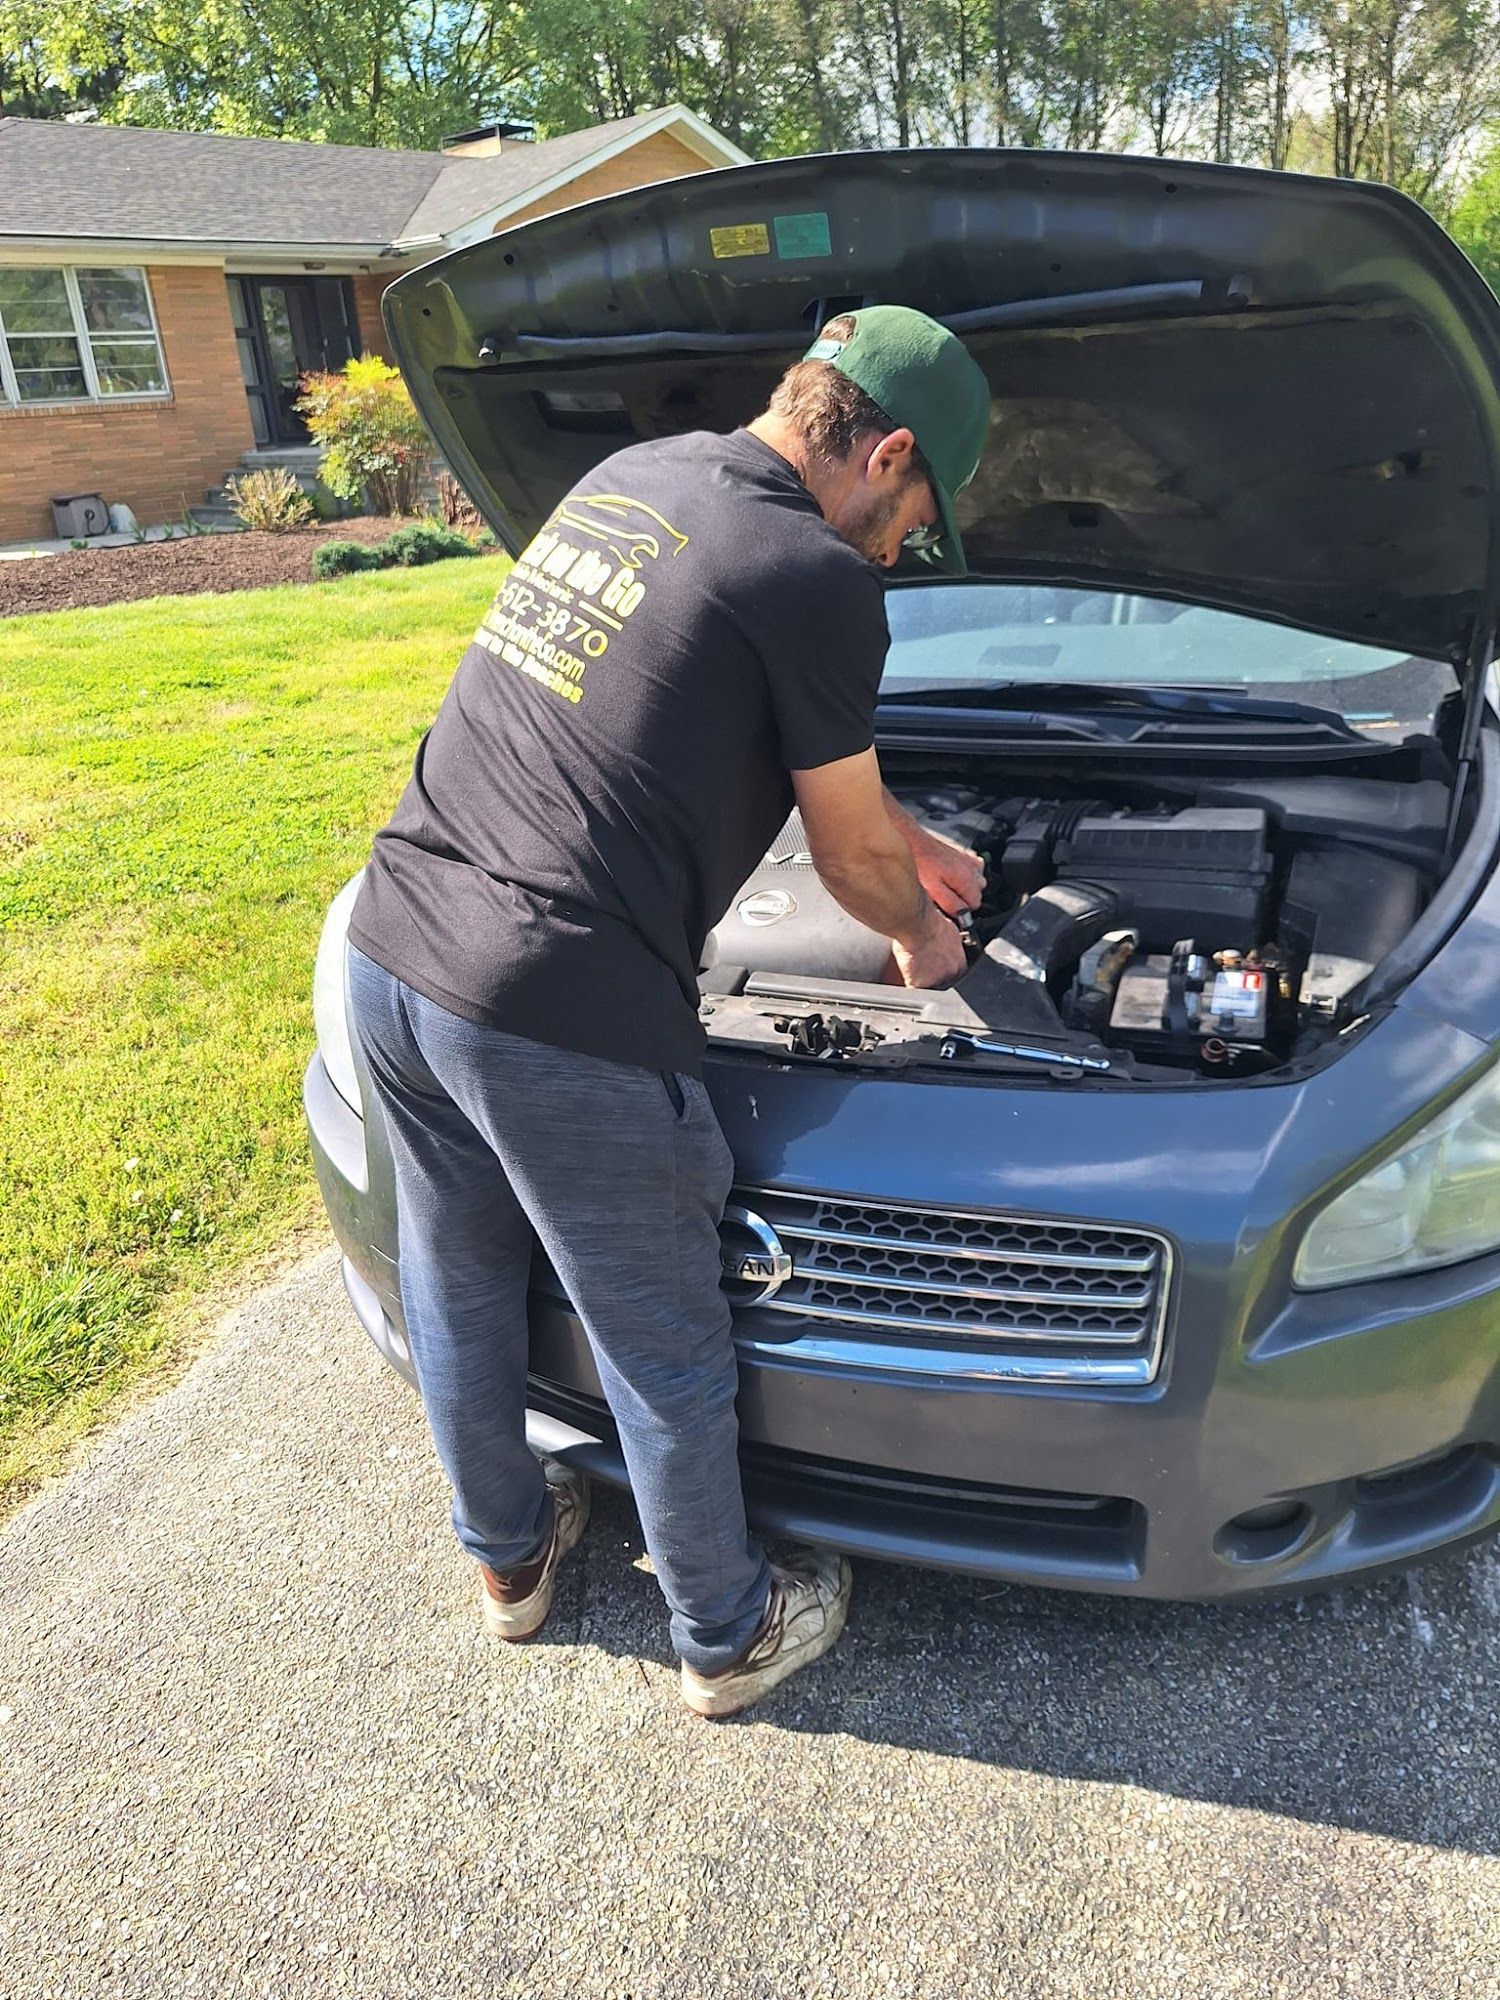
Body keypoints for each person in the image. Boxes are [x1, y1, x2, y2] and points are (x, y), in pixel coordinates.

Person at [345, 304, 992, 1719]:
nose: (897, 551)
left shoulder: (634, 482)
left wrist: (916, 835)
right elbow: (844, 860)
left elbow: (714, 703)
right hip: (547, 1000)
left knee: (459, 1277)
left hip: (394, 948)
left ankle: (509, 1569)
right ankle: (727, 1630)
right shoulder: (820, 574)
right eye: (912, 519)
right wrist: (923, 941)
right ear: (884, 452)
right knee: (663, 1333)